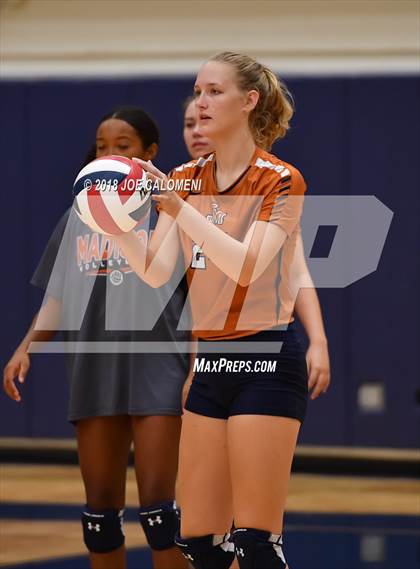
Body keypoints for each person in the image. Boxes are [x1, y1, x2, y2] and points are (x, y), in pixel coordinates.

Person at [114, 52, 331, 569]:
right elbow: (155, 271)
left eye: (214, 91)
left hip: (265, 359)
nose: (201, 102)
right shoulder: (185, 176)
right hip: (210, 361)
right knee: (200, 544)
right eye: (197, 90)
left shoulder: (281, 179)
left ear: (249, 100)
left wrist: (177, 207)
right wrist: (113, 223)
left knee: (255, 543)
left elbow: (249, 266)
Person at [3, 106, 191, 569]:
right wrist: (27, 345)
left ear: (150, 153)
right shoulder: (78, 215)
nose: (109, 154)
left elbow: (201, 298)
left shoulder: (170, 208)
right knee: (100, 518)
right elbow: (59, 296)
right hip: (94, 368)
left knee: (161, 518)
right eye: (102, 146)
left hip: (159, 366)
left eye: (122, 146)